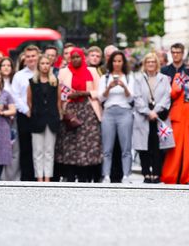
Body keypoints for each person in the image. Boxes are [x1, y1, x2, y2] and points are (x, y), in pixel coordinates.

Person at [56, 47, 102, 182]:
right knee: (69, 143)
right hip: (70, 110)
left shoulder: (92, 71)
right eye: (73, 57)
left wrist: (84, 93)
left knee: (88, 143)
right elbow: (59, 91)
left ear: (82, 58)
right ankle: (70, 175)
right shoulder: (63, 72)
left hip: (88, 109)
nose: (76, 59)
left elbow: (99, 90)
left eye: (78, 57)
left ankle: (85, 176)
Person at [132, 52, 173, 183]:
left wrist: (155, 112)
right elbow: (136, 97)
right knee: (143, 146)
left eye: (153, 62)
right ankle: (146, 173)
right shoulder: (138, 79)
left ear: (157, 64)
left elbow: (167, 97)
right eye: (148, 62)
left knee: (157, 146)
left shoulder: (164, 78)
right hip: (143, 116)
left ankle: (156, 173)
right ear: (145, 64)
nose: (151, 64)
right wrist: (147, 112)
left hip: (159, 116)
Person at [98, 50, 135, 183]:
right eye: (114, 61)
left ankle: (126, 175)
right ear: (111, 62)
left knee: (126, 147)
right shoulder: (105, 78)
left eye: (120, 61)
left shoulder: (129, 77)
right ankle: (106, 175)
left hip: (125, 112)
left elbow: (131, 98)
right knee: (107, 147)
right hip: (109, 113)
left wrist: (124, 86)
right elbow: (100, 98)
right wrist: (109, 87)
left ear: (123, 62)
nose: (117, 63)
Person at [26, 55, 60, 182]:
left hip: (52, 118)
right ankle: (39, 177)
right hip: (37, 119)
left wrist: (58, 116)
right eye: (42, 63)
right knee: (38, 150)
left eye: (47, 63)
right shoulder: (32, 82)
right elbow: (29, 100)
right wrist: (33, 112)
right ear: (38, 66)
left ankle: (47, 177)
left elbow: (58, 101)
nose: (45, 66)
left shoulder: (54, 81)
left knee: (49, 150)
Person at [11, 45, 40, 181]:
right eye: (28, 57)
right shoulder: (19, 76)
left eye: (33, 56)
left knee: (40, 148)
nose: (31, 59)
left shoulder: (45, 73)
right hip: (25, 116)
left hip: (42, 116)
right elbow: (15, 96)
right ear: (24, 58)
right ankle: (26, 178)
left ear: (38, 56)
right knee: (26, 148)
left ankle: (40, 177)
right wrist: (26, 110)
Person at [161, 43, 189, 184]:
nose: (176, 54)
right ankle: (169, 175)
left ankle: (185, 177)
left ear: (183, 53)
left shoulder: (187, 71)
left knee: (186, 147)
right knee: (170, 147)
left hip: (183, 113)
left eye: (178, 52)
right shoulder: (165, 70)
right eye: (174, 52)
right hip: (167, 113)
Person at [0, 57, 20, 181]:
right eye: (3, 65)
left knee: (14, 148)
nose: (6, 68)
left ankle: (14, 177)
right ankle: (1, 177)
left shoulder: (14, 82)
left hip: (14, 118)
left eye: (8, 65)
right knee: (1, 148)